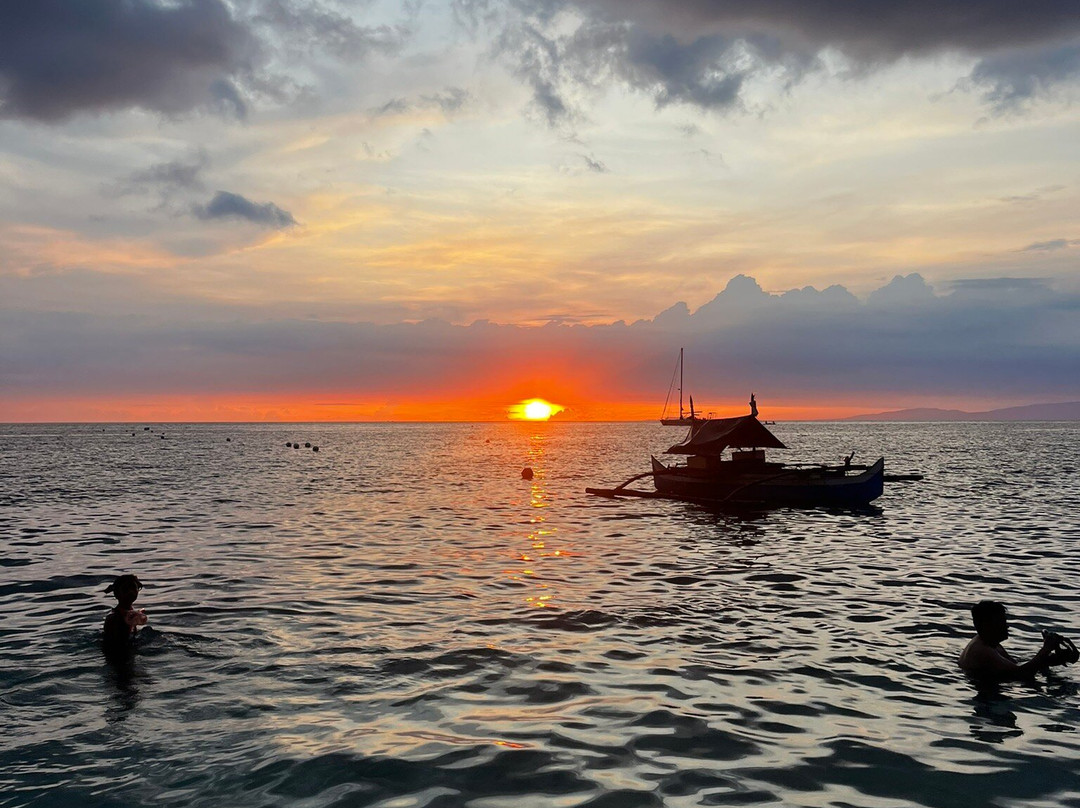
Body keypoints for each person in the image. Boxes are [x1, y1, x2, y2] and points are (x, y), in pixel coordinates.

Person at [959, 600, 1072, 680]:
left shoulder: (991, 643)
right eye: (1002, 622)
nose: (1007, 626)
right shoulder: (982, 651)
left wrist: (1051, 659)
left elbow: (1015, 665)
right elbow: (1022, 674)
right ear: (987, 626)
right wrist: (1046, 649)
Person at [103, 574, 147, 655]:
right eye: (126, 589)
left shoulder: (130, 614)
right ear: (117, 594)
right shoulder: (115, 618)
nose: (130, 591)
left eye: (133, 587)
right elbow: (119, 643)